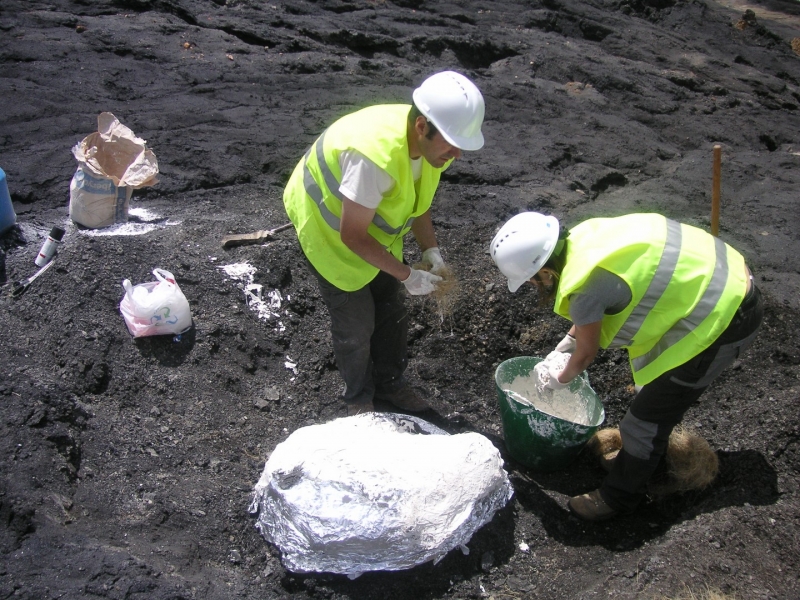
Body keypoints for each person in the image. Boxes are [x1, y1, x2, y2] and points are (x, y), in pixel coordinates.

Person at [490, 212, 764, 520]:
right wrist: (565, 344)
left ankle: (619, 497)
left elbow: (585, 355)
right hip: (724, 277)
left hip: (725, 319)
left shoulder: (584, 290)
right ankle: (645, 459)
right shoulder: (585, 239)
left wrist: (558, 379)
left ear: (545, 272)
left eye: (531, 280)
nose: (533, 285)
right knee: (652, 395)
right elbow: (594, 308)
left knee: (644, 421)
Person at [283, 71, 485, 416]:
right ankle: (358, 399)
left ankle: (391, 385)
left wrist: (429, 251)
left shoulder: (433, 149)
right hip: (329, 228)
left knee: (392, 310)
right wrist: (408, 275)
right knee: (356, 323)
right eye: (452, 144)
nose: (457, 155)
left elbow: (417, 203)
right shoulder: (373, 159)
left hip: (364, 224)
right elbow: (352, 236)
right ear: (422, 126)